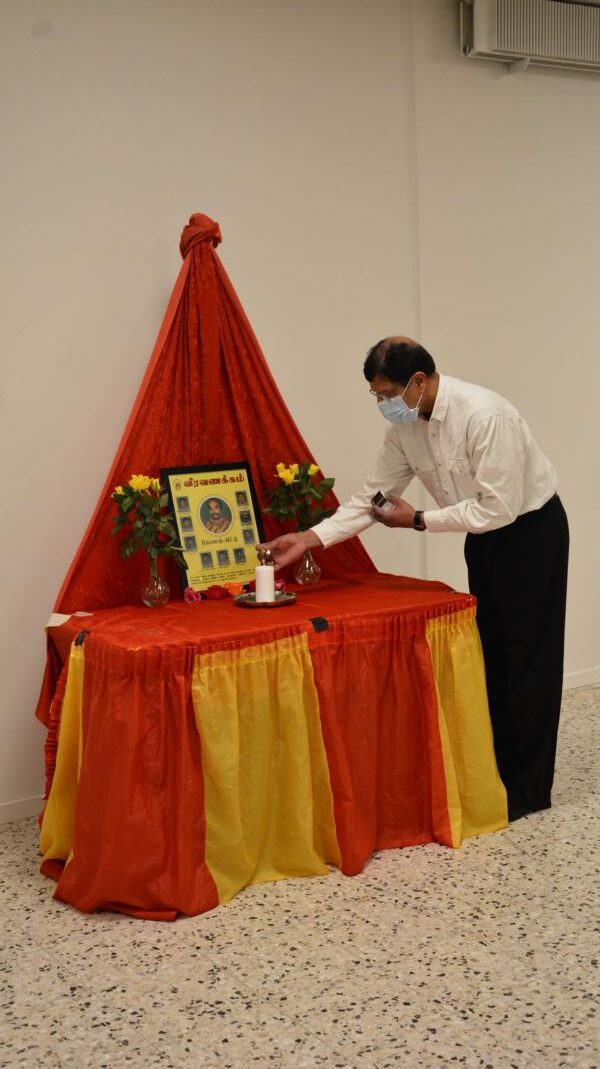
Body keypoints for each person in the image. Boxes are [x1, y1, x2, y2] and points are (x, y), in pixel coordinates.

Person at [259, 337, 569, 821]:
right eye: (376, 396)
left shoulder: (485, 416)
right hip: (482, 538)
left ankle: (527, 791)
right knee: (491, 651)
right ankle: (496, 774)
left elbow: (500, 508)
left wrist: (419, 520)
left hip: (530, 533)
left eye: (387, 394)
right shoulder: (404, 428)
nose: (382, 404)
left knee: (528, 657)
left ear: (419, 381)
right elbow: (373, 498)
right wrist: (309, 539)